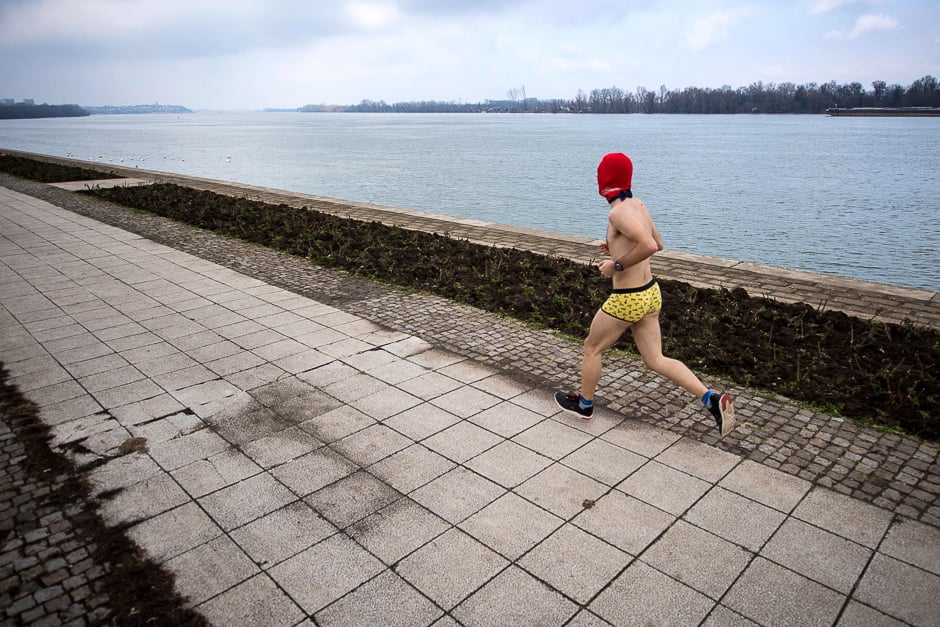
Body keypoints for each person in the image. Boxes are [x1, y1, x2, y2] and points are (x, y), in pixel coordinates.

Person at [554, 152, 736, 437]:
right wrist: (616, 246)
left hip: (628, 298)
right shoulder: (637, 204)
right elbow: (658, 242)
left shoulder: (617, 211)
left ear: (605, 179)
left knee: (592, 347)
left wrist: (615, 265)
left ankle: (585, 405)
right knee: (655, 359)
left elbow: (649, 245)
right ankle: (710, 399)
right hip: (651, 293)